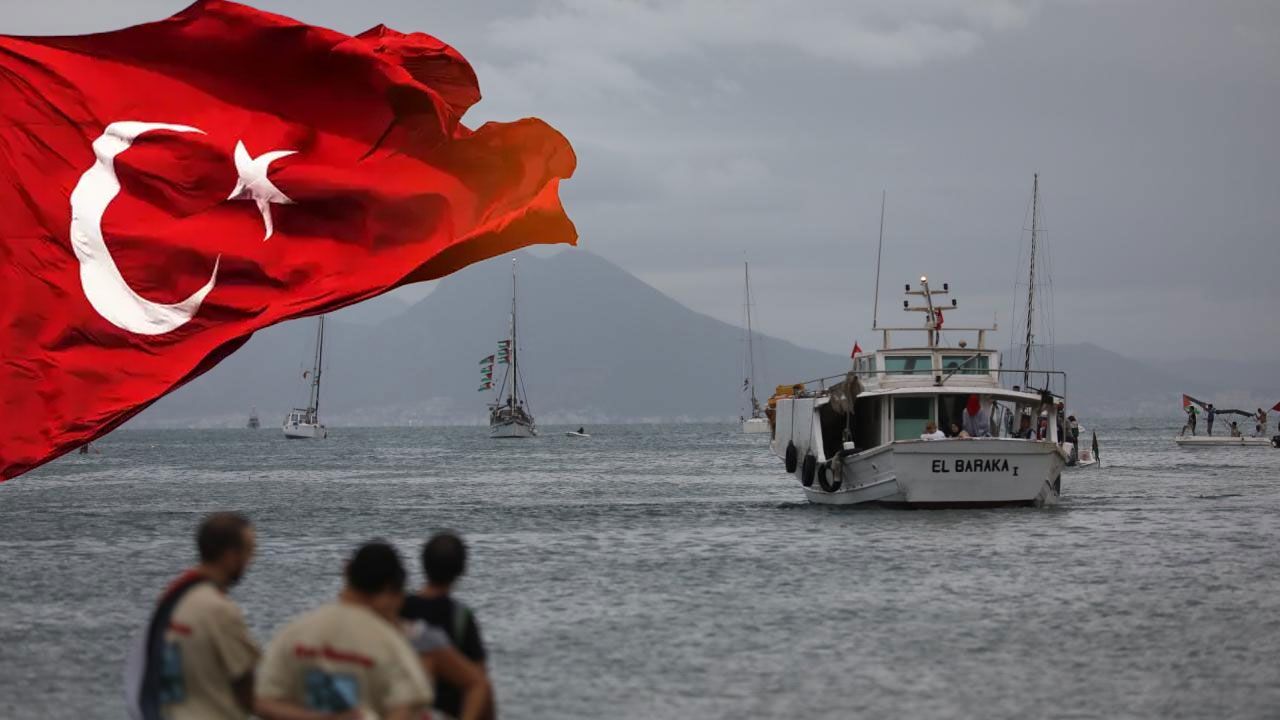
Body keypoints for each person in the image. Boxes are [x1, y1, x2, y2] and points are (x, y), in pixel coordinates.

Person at [255, 542, 432, 720]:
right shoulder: (392, 645)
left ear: (346, 571)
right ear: (391, 591)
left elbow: (262, 702)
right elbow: (405, 708)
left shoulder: (294, 633)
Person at [130, 512, 260, 720]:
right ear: (230, 556)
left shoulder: (173, 598)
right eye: (250, 551)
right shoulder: (220, 610)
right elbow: (248, 693)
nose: (251, 560)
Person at [402, 533, 495, 720]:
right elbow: (481, 682)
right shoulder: (460, 616)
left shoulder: (400, 609)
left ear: (423, 563)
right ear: (462, 569)